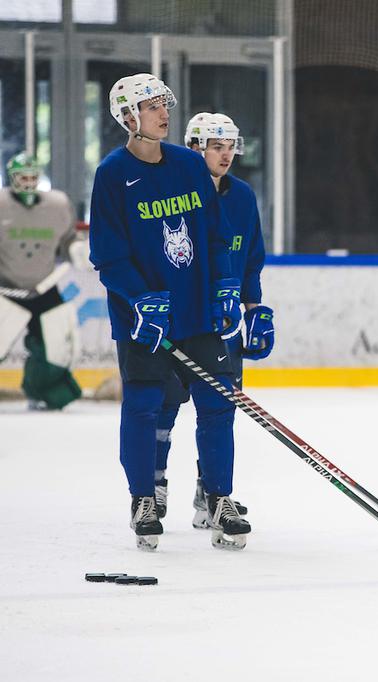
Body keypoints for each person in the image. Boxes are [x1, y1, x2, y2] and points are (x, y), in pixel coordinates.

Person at [89, 73, 249, 551]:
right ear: (128, 116)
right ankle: (143, 499)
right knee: (142, 406)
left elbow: (216, 234)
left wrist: (225, 284)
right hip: (143, 319)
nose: (164, 113)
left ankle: (219, 499)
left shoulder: (187, 164)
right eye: (153, 105)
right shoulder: (113, 174)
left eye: (164, 105)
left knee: (218, 406)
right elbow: (108, 255)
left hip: (197, 311)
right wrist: (140, 299)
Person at [153, 112, 273, 529]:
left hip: (223, 327)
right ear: (194, 149)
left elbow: (250, 260)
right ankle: (153, 488)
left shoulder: (242, 197)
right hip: (177, 324)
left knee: (220, 410)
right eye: (215, 147)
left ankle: (212, 495)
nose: (226, 155)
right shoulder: (173, 194)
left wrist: (254, 307)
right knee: (164, 406)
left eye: (230, 147)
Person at [0, 152, 84, 410]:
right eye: (22, 176)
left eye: (31, 176)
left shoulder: (57, 204)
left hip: (44, 287)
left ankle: (44, 391)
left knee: (59, 348)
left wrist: (76, 248)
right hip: (6, 287)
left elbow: (68, 237)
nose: (27, 182)